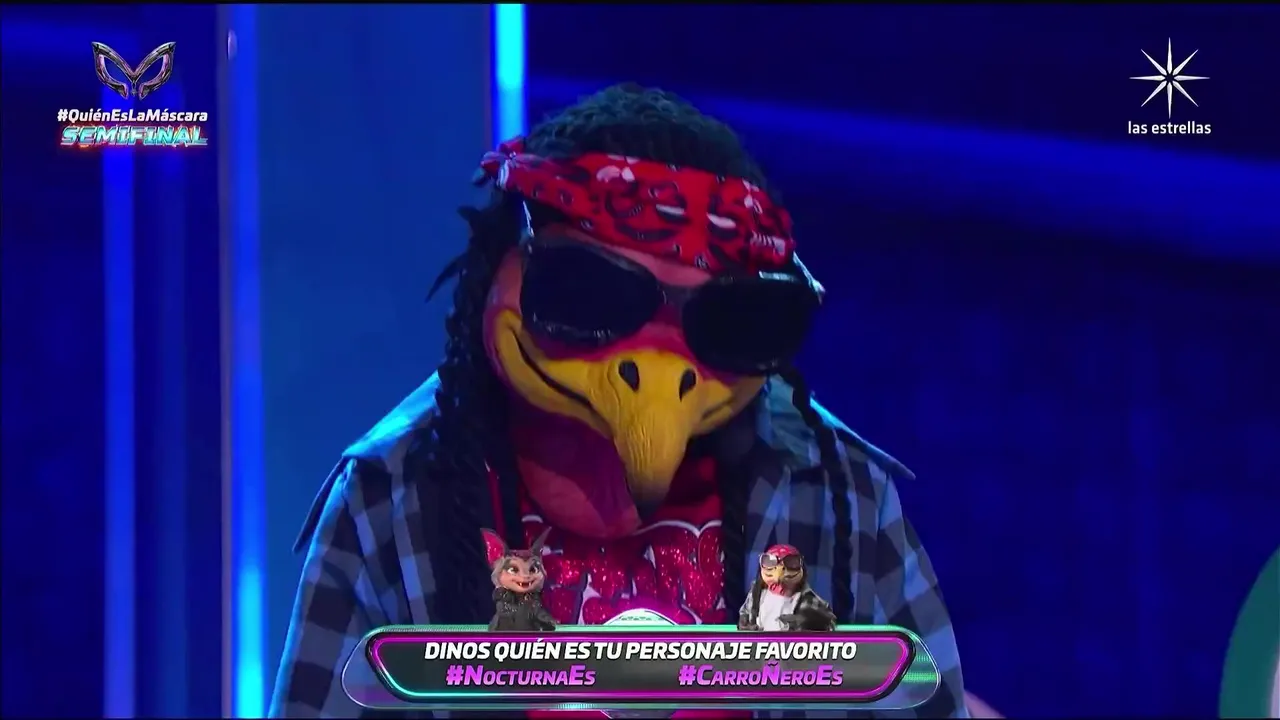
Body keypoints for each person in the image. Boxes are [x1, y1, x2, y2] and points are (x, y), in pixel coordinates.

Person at [270, 83, 969, 718]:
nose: (657, 363)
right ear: (502, 269)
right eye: (589, 293)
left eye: (722, 320)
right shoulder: (390, 496)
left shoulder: (843, 496)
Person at [737, 544, 836, 632]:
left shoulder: (807, 599)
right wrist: (745, 623)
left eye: (791, 562)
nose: (779, 569)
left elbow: (829, 622)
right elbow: (745, 614)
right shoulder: (756, 594)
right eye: (770, 562)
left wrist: (808, 623)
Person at [484, 528, 558, 632]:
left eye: (532, 570)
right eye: (513, 570)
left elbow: (537, 612)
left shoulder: (533, 600)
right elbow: (504, 612)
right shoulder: (504, 597)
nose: (525, 576)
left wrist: (547, 621)